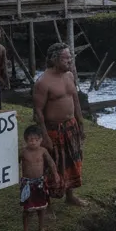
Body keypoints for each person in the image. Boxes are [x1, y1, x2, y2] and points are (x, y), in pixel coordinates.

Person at [33, 43, 86, 207]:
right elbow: (38, 112)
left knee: (72, 162)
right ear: (55, 59)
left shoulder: (69, 75)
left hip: (71, 126)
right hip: (53, 129)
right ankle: (46, 203)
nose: (70, 61)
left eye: (70, 57)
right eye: (66, 58)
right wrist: (45, 136)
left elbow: (75, 101)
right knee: (52, 166)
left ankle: (70, 196)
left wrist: (80, 123)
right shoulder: (43, 82)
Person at [19, 124, 59, 231]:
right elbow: (13, 165)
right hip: (27, 184)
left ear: (41, 140)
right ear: (26, 139)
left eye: (36, 140)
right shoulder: (23, 152)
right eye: (31, 140)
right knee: (27, 210)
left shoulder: (43, 151)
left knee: (42, 208)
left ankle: (41, 229)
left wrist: (55, 174)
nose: (33, 142)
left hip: (40, 183)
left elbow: (51, 163)